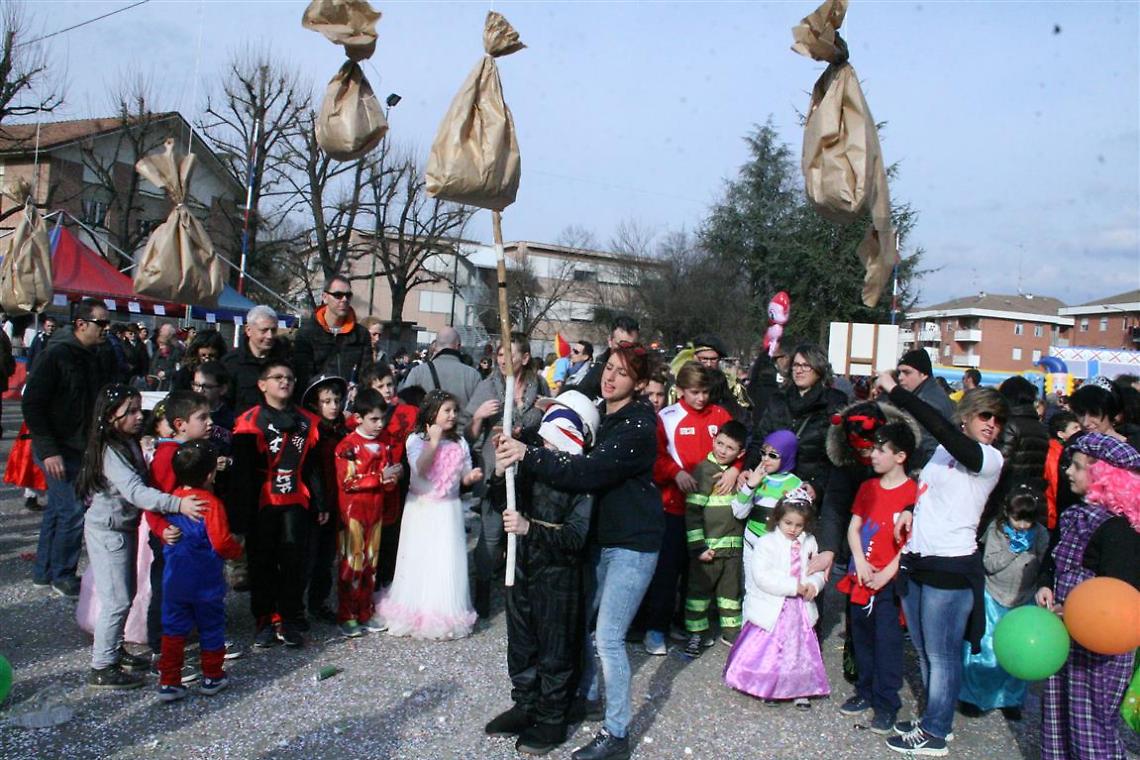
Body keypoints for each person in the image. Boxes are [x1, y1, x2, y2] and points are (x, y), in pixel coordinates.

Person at [495, 342, 660, 760]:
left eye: (622, 373)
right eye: (609, 368)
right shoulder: (603, 412)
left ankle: (616, 733)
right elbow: (559, 427)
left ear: (639, 384)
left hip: (632, 543)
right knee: (580, 627)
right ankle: (576, 701)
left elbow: (586, 469)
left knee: (608, 637)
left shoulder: (638, 425)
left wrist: (528, 454)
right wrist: (519, 439)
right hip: (600, 540)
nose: (610, 376)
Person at [877, 375, 1009, 756]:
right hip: (920, 560)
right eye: (985, 415)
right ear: (967, 415)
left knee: (943, 654)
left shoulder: (988, 457)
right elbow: (930, 489)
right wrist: (907, 509)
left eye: (998, 420)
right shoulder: (945, 452)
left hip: (952, 567)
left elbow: (939, 427)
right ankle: (935, 718)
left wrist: (897, 391)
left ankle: (936, 730)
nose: (991, 424)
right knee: (923, 651)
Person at [483, 394, 597, 756]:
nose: (543, 447)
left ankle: (551, 718)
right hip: (522, 567)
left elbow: (576, 536)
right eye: (543, 441)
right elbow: (500, 500)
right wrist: (501, 473)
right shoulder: (529, 466)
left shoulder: (582, 481)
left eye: (552, 443)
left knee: (555, 649)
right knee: (521, 643)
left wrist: (530, 528)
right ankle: (525, 704)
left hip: (559, 577)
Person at [76, 384, 207, 689]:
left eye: (139, 410)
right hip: (108, 530)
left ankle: (113, 648)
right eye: (130, 411)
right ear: (111, 416)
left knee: (127, 592)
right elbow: (136, 491)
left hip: (123, 526)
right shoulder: (110, 451)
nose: (139, 416)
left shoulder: (127, 443)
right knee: (116, 599)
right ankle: (102, 665)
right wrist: (178, 504)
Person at [1036, 434, 1140, 760]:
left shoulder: (1118, 530)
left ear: (1103, 478)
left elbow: (1118, 595)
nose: (1068, 472)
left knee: (1092, 722)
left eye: (1078, 467)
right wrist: (1045, 584)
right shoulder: (1075, 515)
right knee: (1059, 711)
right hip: (1064, 632)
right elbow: (1053, 560)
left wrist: (1076, 609)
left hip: (1099, 642)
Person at [23, 298, 114, 597]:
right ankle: (63, 575)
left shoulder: (94, 355)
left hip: (79, 446)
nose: (106, 329)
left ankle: (44, 572)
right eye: (101, 323)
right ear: (81, 324)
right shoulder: (56, 355)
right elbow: (33, 405)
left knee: (59, 511)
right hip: (56, 447)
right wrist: (49, 450)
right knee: (73, 510)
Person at [231, 360, 325, 648]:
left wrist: (321, 502)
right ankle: (264, 619)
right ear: (262, 384)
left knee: (294, 560)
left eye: (289, 377)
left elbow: (313, 467)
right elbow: (242, 473)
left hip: (296, 498)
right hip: (263, 499)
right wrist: (240, 515)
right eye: (277, 377)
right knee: (263, 561)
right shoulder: (250, 420)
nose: (284, 382)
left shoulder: (307, 421)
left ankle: (290, 617)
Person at [642, 361, 734, 656]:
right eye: (694, 392)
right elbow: (653, 458)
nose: (701, 398)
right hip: (674, 508)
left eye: (705, 391)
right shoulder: (667, 417)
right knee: (668, 571)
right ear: (679, 390)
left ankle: (690, 623)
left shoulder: (721, 415)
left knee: (700, 572)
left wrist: (736, 470)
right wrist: (675, 472)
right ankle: (655, 628)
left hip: (711, 511)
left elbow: (740, 446)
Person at [377, 390, 483, 639]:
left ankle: (443, 610)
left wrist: (472, 476)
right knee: (419, 557)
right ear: (432, 412)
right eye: (447, 410)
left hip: (448, 509)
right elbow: (420, 469)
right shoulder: (415, 440)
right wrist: (433, 443)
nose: (452, 415)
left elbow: (463, 474)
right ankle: (415, 610)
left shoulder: (459, 442)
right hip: (422, 507)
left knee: (445, 559)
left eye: (454, 411)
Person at [834, 423, 917, 734]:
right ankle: (864, 691)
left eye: (882, 450)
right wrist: (859, 560)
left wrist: (886, 573)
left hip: (889, 582)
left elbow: (911, 543)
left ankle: (886, 704)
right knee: (861, 639)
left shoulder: (913, 493)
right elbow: (854, 527)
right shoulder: (868, 487)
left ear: (900, 456)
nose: (874, 454)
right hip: (861, 577)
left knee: (888, 644)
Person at [466, 334, 549, 617]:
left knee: (525, 531)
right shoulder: (487, 386)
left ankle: (522, 593)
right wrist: (478, 416)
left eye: (509, 354)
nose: (502, 360)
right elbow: (468, 436)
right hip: (496, 470)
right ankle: (482, 590)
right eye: (500, 354)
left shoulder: (539, 387)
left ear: (525, 358)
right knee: (490, 533)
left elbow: (547, 427)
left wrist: (537, 416)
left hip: (528, 469)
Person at [724, 489, 829, 708]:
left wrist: (814, 585)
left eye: (798, 525)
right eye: (788, 523)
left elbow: (817, 568)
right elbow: (762, 576)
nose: (793, 529)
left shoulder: (809, 542)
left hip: (800, 608)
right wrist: (793, 586)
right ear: (778, 519)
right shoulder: (767, 542)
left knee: (799, 649)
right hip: (774, 605)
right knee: (770, 649)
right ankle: (768, 685)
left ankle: (801, 687)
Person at [157, 440, 244, 701]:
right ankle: (212, 675)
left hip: (175, 579)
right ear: (209, 475)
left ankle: (169, 680)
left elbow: (163, 532)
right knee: (212, 627)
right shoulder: (210, 504)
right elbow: (220, 541)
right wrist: (237, 551)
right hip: (205, 581)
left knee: (173, 629)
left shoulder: (171, 501)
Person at [957, 486, 1049, 721]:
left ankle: (1010, 699)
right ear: (1007, 513)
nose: (1022, 525)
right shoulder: (997, 531)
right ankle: (974, 697)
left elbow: (1045, 563)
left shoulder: (1039, 534)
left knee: (1018, 650)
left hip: (1024, 597)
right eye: (1017, 519)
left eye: (1028, 520)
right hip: (993, 595)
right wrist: (1013, 550)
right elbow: (990, 564)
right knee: (985, 648)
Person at [143, 390, 214, 680]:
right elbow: (152, 499)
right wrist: (161, 529)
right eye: (203, 418)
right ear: (180, 423)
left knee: (192, 587)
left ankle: (190, 639)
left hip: (191, 538)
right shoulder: (167, 456)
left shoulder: (195, 449)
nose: (210, 423)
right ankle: (161, 651)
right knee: (166, 590)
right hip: (170, 538)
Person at [333, 388, 399, 637]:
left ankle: (366, 611)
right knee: (352, 563)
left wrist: (392, 478)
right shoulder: (347, 446)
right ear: (358, 418)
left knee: (371, 563)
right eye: (374, 419)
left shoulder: (384, 445)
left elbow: (387, 481)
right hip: (352, 514)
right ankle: (347, 614)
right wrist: (381, 477)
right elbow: (348, 482)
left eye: (382, 418)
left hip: (376, 512)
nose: (379, 424)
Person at [744, 343, 846, 499]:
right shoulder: (778, 400)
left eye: (806, 366)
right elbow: (760, 439)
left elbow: (836, 454)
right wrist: (748, 469)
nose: (799, 370)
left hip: (806, 487)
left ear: (818, 368)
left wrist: (818, 486)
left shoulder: (834, 402)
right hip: (773, 484)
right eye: (796, 365)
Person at [682, 420, 748, 656]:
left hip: (732, 549)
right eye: (719, 443)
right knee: (698, 593)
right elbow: (692, 513)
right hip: (708, 549)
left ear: (740, 453)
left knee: (731, 596)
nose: (722, 450)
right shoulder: (703, 471)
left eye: (729, 448)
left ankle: (734, 636)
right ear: (714, 439)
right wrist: (698, 546)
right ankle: (695, 634)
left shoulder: (738, 476)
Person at [358, 363, 416, 588]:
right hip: (371, 477)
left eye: (390, 384)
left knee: (392, 531)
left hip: (399, 475)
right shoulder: (363, 414)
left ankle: (386, 580)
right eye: (380, 385)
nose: (387, 389)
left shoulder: (407, 412)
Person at [301, 375, 349, 624]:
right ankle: (296, 607)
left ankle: (318, 602)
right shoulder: (312, 431)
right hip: (315, 504)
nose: (333, 406)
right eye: (326, 401)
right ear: (315, 404)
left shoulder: (343, 429)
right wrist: (319, 504)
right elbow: (311, 471)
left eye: (337, 400)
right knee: (308, 556)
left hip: (337, 501)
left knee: (326, 557)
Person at [979, 376, 1049, 532]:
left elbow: (1000, 463)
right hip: (1032, 496)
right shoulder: (1040, 428)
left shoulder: (1010, 425)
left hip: (1007, 497)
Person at [292, 274, 373, 393]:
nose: (344, 299)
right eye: (338, 295)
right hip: (316, 402)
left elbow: (366, 375)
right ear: (325, 297)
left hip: (350, 404)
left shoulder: (361, 334)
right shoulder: (306, 333)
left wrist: (357, 392)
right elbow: (303, 377)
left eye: (348, 295)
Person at [732, 430, 802, 566]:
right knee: (750, 587)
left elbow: (798, 525)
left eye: (773, 455)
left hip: (777, 550)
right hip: (751, 545)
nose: (765, 459)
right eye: (763, 453)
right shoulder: (756, 476)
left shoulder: (796, 484)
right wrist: (750, 485)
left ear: (787, 455)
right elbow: (739, 512)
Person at [398, 326, 481, 421]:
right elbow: (479, 413)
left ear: (435, 346)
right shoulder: (473, 375)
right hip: (461, 433)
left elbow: (404, 408)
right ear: (458, 346)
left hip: (426, 432)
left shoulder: (418, 372)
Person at [222, 305, 289, 415]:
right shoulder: (231, 363)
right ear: (248, 330)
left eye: (273, 330)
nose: (270, 336)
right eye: (264, 330)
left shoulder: (286, 361)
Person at [896, 349, 956, 468]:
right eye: (899, 373)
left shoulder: (926, 402)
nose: (900, 377)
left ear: (923, 374)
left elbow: (927, 447)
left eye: (906, 372)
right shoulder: (932, 394)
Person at [566, 315, 639, 400]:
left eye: (631, 347)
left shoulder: (642, 371)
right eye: (621, 346)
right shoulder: (597, 370)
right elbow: (581, 399)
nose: (625, 352)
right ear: (610, 341)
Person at [1043, 411, 1079, 530]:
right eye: (1075, 428)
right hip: (1052, 514)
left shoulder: (1063, 451)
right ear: (1061, 434)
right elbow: (1054, 486)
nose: (1079, 430)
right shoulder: (1054, 454)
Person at [149, 323, 183, 392]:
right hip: (156, 385)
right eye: (159, 344)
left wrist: (166, 373)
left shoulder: (177, 352)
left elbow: (178, 369)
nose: (161, 347)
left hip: (170, 385)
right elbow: (152, 366)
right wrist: (156, 373)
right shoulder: (157, 353)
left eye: (163, 345)